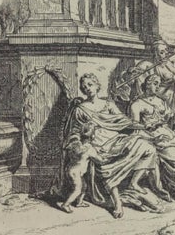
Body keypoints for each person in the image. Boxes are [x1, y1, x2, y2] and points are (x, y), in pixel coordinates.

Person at [56, 73, 164, 217]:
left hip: (116, 140)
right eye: (84, 86)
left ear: (97, 85)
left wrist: (145, 127)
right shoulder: (80, 109)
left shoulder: (108, 104)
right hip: (97, 145)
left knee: (148, 148)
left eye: (90, 84)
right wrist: (78, 145)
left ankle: (134, 183)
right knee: (105, 168)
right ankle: (118, 204)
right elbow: (74, 132)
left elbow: (125, 122)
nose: (87, 88)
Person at [129, 65, 175, 205]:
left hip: (170, 134)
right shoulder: (136, 104)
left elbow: (170, 120)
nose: (158, 86)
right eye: (155, 83)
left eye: (159, 84)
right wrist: (149, 130)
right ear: (147, 85)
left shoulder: (161, 101)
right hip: (156, 138)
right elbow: (134, 126)